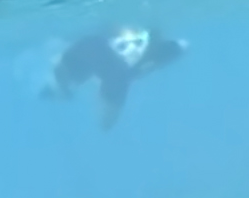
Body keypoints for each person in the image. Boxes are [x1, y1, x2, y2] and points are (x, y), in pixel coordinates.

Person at [40, 24, 186, 130]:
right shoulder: (120, 71)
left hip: (97, 52)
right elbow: (107, 121)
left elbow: (108, 116)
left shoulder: (115, 64)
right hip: (102, 58)